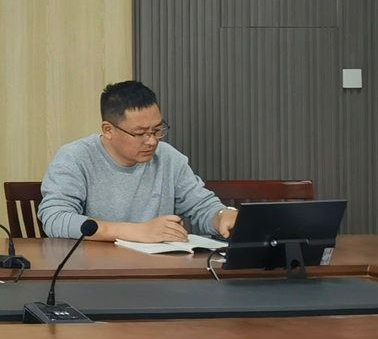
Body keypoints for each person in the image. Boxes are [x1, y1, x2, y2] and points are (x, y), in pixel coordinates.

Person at [39, 80, 238, 243]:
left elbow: (201, 206)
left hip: (157, 269)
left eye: (157, 130)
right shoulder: (75, 157)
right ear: (108, 130)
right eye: (140, 133)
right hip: (94, 269)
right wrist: (136, 231)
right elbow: (54, 218)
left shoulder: (168, 157)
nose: (151, 141)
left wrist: (221, 215)